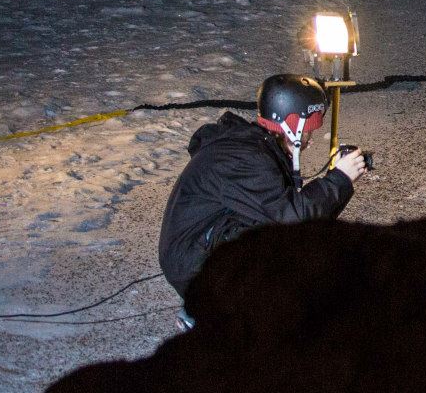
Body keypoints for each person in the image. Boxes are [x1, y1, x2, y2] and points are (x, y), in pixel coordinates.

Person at [157, 74, 367, 308]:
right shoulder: (246, 159)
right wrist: (340, 179)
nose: (311, 138)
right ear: (294, 125)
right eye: (309, 129)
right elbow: (293, 217)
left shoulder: (259, 147)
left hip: (205, 245)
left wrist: (338, 183)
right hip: (194, 266)